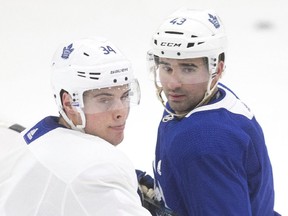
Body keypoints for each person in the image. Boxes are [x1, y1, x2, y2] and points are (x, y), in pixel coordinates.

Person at [145, 8, 281, 215]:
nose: (172, 84)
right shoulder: (206, 99)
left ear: (216, 70)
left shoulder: (202, 141)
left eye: (188, 68)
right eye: (166, 67)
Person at [0, 37, 152, 216]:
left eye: (125, 95)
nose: (121, 112)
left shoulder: (30, 139)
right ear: (69, 103)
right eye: (105, 99)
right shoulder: (100, 167)